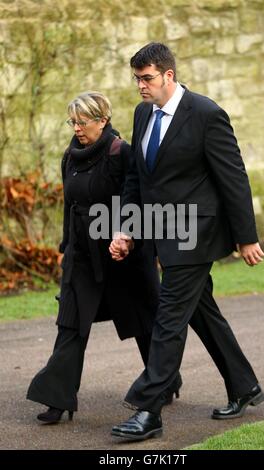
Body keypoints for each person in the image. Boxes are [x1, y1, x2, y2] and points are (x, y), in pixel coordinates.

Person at [109, 43, 264, 441]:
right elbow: (137, 178)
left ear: (168, 76)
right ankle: (244, 385)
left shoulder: (206, 114)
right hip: (163, 231)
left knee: (169, 318)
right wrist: (126, 229)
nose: (141, 86)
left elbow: (234, 178)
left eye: (147, 78)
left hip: (198, 233)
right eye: (137, 79)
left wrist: (246, 238)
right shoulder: (143, 114)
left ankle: (149, 410)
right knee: (200, 311)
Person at [27, 91, 182, 424]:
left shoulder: (121, 153)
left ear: (103, 120)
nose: (78, 128)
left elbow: (136, 199)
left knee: (142, 319)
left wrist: (129, 238)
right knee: (71, 322)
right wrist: (65, 250)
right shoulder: (70, 155)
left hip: (120, 253)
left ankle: (163, 381)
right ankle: (57, 398)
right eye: (73, 122)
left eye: (83, 122)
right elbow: (70, 208)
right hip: (82, 255)